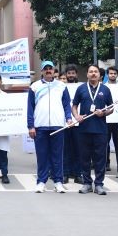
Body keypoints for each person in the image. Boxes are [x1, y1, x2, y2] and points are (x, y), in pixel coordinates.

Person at [28, 61, 72, 193]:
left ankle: (58, 182)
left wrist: (68, 118)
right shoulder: (34, 86)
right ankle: (41, 181)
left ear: (54, 71)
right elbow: (30, 108)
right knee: (42, 156)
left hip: (58, 126)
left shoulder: (61, 86)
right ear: (41, 71)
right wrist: (31, 126)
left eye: (50, 68)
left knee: (57, 155)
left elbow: (66, 105)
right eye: (45, 69)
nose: (48, 71)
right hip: (40, 126)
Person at [72, 65, 114, 195]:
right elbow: (74, 106)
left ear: (100, 75)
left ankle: (99, 184)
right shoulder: (81, 89)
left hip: (100, 130)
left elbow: (111, 108)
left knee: (100, 158)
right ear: (87, 74)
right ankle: (87, 183)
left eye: (96, 72)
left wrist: (104, 113)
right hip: (84, 129)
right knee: (84, 158)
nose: (93, 74)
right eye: (91, 72)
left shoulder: (105, 90)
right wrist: (77, 116)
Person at [62, 65, 83, 184]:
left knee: (78, 150)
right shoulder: (61, 87)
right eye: (68, 73)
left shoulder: (81, 87)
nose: (70, 75)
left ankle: (77, 174)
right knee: (65, 150)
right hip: (64, 123)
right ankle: (65, 173)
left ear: (76, 74)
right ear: (66, 75)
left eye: (73, 73)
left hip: (79, 123)